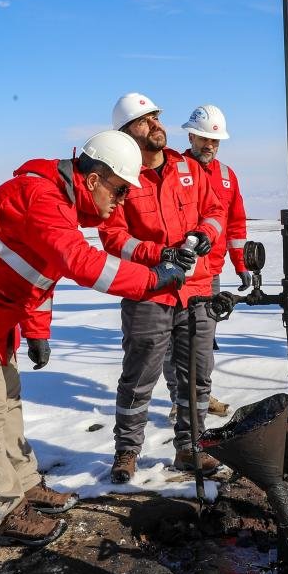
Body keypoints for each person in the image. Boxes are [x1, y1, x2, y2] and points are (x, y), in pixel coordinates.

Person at [0, 130, 187, 547]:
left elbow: (39, 274)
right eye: (120, 189)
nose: (122, 200)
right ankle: (7, 509)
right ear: (92, 179)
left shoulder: (57, 202)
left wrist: (37, 331)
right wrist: (151, 281)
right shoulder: (42, 198)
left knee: (8, 400)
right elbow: (79, 262)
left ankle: (25, 484)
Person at [98, 92, 227, 483]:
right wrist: (160, 254)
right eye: (145, 120)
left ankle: (191, 447)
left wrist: (205, 233)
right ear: (126, 132)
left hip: (197, 289)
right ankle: (127, 452)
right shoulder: (120, 177)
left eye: (157, 117)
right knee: (139, 376)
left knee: (197, 376)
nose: (156, 125)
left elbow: (216, 210)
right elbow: (112, 236)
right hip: (149, 291)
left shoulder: (187, 167)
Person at [164, 104, 249, 419]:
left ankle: (201, 394)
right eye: (202, 138)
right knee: (175, 341)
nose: (209, 145)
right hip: (178, 271)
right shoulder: (174, 169)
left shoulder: (227, 177)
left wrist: (241, 264)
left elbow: (236, 225)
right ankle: (179, 398)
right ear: (190, 135)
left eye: (214, 141)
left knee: (203, 339)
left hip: (210, 273)